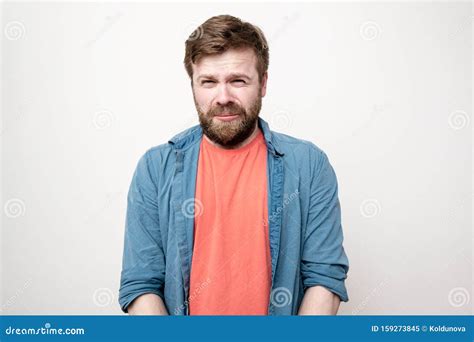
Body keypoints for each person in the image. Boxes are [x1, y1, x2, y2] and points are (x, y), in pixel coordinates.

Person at [119, 14, 349, 316]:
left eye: (238, 81)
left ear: (263, 83)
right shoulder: (155, 168)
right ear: (193, 85)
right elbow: (141, 284)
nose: (223, 97)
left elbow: (324, 279)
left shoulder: (309, 165)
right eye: (208, 82)